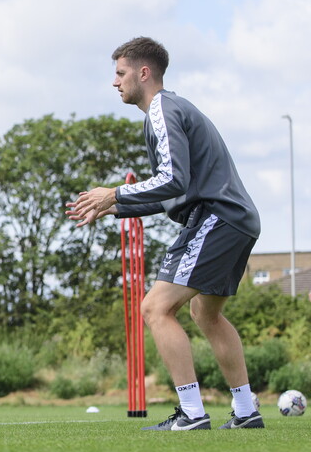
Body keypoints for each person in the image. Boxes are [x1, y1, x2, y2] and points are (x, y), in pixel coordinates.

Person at [67, 37, 263, 431]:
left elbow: (173, 180)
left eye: (120, 73)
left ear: (144, 73)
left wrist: (116, 192)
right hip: (236, 219)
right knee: (204, 314)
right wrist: (116, 206)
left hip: (217, 217)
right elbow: (174, 191)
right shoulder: (169, 110)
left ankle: (191, 413)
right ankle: (246, 411)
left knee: (155, 308)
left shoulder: (161, 109)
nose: (115, 83)